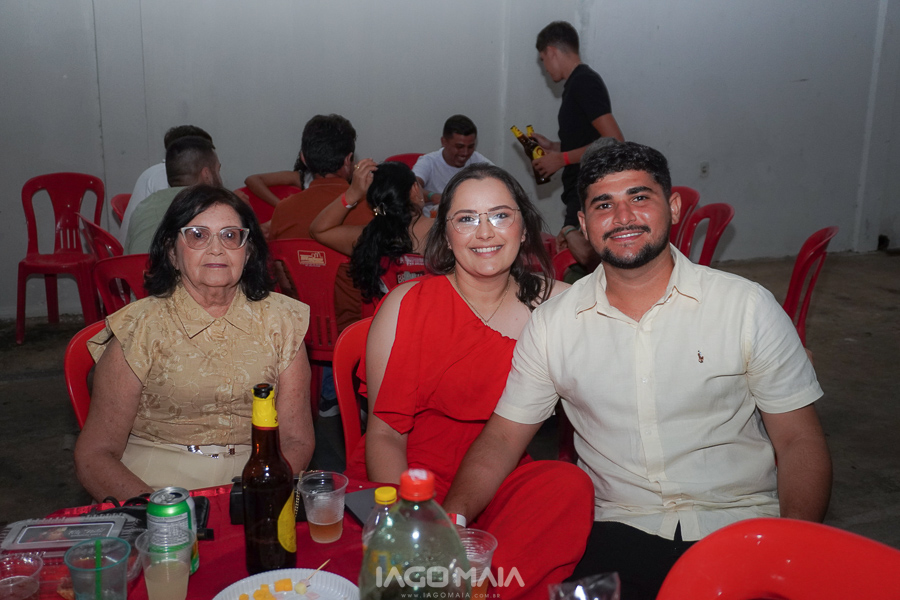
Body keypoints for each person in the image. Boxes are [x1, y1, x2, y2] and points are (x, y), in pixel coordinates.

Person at [443, 143, 832, 600]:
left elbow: (798, 439)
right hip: (616, 529)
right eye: (603, 205)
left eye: (640, 197)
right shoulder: (554, 324)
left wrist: (792, 549)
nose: (623, 217)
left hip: (739, 524)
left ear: (673, 207)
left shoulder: (745, 307)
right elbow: (503, 439)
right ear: (584, 223)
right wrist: (448, 521)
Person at [344, 163, 595, 599]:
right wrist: (417, 518)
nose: (484, 233)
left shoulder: (557, 305)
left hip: (499, 475)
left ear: (523, 228)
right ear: (445, 234)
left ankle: (468, 591)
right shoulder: (408, 304)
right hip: (408, 478)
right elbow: (384, 435)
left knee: (569, 487)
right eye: (466, 219)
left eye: (500, 215)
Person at [74, 185, 314, 502]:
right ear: (172, 253)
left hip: (256, 481)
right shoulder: (141, 327)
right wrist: (162, 511)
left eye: (230, 236)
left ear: (248, 251)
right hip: (153, 485)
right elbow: (95, 454)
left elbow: (297, 440)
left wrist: (257, 495)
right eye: (198, 235)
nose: (216, 249)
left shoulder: (283, 321)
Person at [530, 21, 624, 270]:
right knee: (575, 258)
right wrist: (554, 147)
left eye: (543, 60)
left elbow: (614, 141)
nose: (545, 68)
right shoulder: (575, 84)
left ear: (551, 51)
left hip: (588, 186)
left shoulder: (584, 82)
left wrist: (561, 159)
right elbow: (587, 141)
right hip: (578, 187)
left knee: (584, 256)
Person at [309, 160, 433, 303]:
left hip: (386, 316)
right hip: (436, 315)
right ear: (415, 189)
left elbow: (319, 230)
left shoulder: (370, 239)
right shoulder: (445, 232)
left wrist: (352, 194)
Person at [124, 136, 221, 254]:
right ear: (207, 175)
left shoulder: (143, 206)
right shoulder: (210, 206)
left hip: (132, 266)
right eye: (218, 170)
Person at [412, 114, 493, 208]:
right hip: (432, 216)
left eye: (470, 147)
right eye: (459, 147)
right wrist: (432, 196)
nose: (465, 153)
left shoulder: (477, 160)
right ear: (444, 142)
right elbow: (411, 188)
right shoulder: (428, 161)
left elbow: (501, 182)